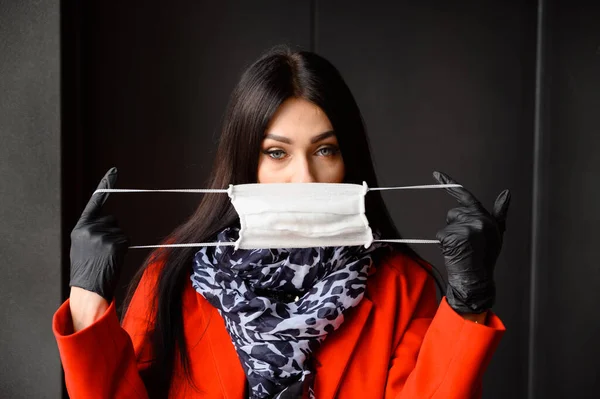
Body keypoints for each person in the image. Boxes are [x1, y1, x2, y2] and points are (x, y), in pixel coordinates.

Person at [53, 46, 510, 399]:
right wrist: (87, 298)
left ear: (349, 163)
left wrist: (468, 301)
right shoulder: (172, 274)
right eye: (277, 153)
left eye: (325, 150)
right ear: (243, 165)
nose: (305, 177)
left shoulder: (399, 286)